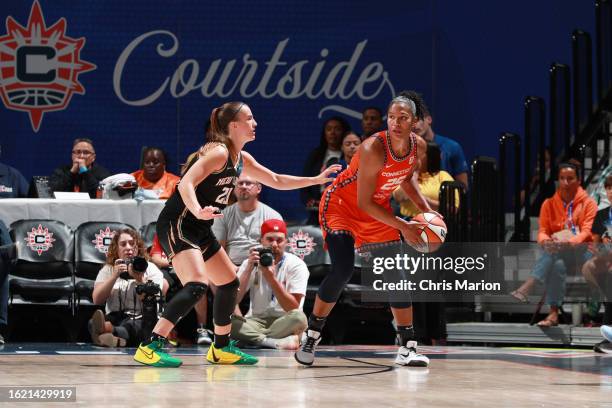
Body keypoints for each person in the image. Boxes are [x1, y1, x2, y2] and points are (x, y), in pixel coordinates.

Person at [133, 101, 340, 367]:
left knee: (229, 283)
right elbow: (186, 182)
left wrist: (314, 180)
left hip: (200, 227)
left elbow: (275, 179)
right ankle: (150, 346)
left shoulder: (241, 158)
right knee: (197, 285)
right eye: (250, 119)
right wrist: (197, 209)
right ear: (234, 125)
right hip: (179, 223)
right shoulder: (219, 152)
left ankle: (221, 348)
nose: (255, 123)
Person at [295, 94, 438, 367]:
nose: (396, 123)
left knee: (397, 275)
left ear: (415, 122)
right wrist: (404, 225)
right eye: (392, 117)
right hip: (341, 207)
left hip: (377, 210)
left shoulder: (417, 147)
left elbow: (406, 179)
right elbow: (362, 202)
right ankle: (311, 336)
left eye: (403, 118)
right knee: (343, 269)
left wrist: (424, 210)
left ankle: (407, 347)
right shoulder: (373, 147)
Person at [511, 163, 596, 326]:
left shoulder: (588, 203)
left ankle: (529, 285)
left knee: (553, 255)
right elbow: (542, 231)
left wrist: (569, 242)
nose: (565, 182)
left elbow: (587, 232)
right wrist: (546, 241)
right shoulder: (548, 204)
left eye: (570, 178)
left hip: (583, 251)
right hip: (559, 252)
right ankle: (553, 314)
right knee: (556, 264)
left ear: (578, 181)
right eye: (562, 178)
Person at [231, 219, 308, 350]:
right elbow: (234, 299)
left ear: (286, 242)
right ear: (261, 241)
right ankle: (274, 342)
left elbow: (293, 307)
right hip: (256, 321)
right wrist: (248, 269)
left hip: (285, 320)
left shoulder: (296, 265)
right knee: (225, 321)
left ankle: (252, 340)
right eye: (269, 239)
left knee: (299, 318)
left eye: (279, 240)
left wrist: (271, 278)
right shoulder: (250, 262)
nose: (274, 244)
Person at [91, 228, 169, 347]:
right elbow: (97, 299)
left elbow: (151, 300)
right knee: (92, 323)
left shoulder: (151, 268)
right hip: (115, 316)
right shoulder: (108, 269)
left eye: (132, 244)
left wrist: (139, 279)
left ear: (138, 248)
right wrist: (114, 276)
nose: (128, 247)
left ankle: (109, 331)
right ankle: (117, 339)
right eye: (123, 244)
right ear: (116, 249)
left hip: (140, 317)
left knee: (136, 326)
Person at [405, 91, 469, 189]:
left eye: (417, 120)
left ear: (429, 120)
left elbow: (463, 186)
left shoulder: (452, 147)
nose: (414, 126)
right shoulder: (404, 150)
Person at [581, 175, 612, 352]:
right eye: (608, 188)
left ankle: (609, 335)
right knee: (588, 267)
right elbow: (595, 245)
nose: (611, 191)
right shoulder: (601, 215)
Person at [301, 116, 351, 224]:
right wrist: (310, 200)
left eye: (337, 129)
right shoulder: (316, 155)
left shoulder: (349, 157)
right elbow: (305, 182)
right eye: (329, 129)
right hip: (316, 213)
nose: (332, 132)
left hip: (343, 213)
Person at [393, 142, 456, 218]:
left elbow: (453, 208)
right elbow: (398, 197)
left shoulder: (442, 176)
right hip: (408, 222)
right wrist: (413, 176)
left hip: (436, 222)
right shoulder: (406, 175)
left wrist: (422, 199)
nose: (413, 157)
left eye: (418, 154)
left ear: (430, 156)